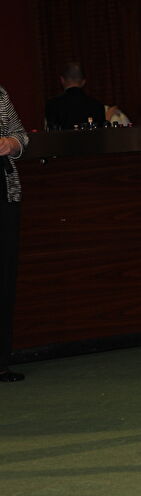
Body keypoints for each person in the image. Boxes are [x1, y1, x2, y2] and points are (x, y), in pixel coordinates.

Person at [0, 86, 29, 382]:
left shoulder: (0, 95)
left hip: (4, 196)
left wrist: (11, 144)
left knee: (4, 279)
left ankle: (1, 361)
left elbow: (22, 136)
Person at [45, 62, 105, 130]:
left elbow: (51, 135)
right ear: (83, 82)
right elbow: (101, 135)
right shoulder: (97, 105)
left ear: (62, 80)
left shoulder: (53, 105)